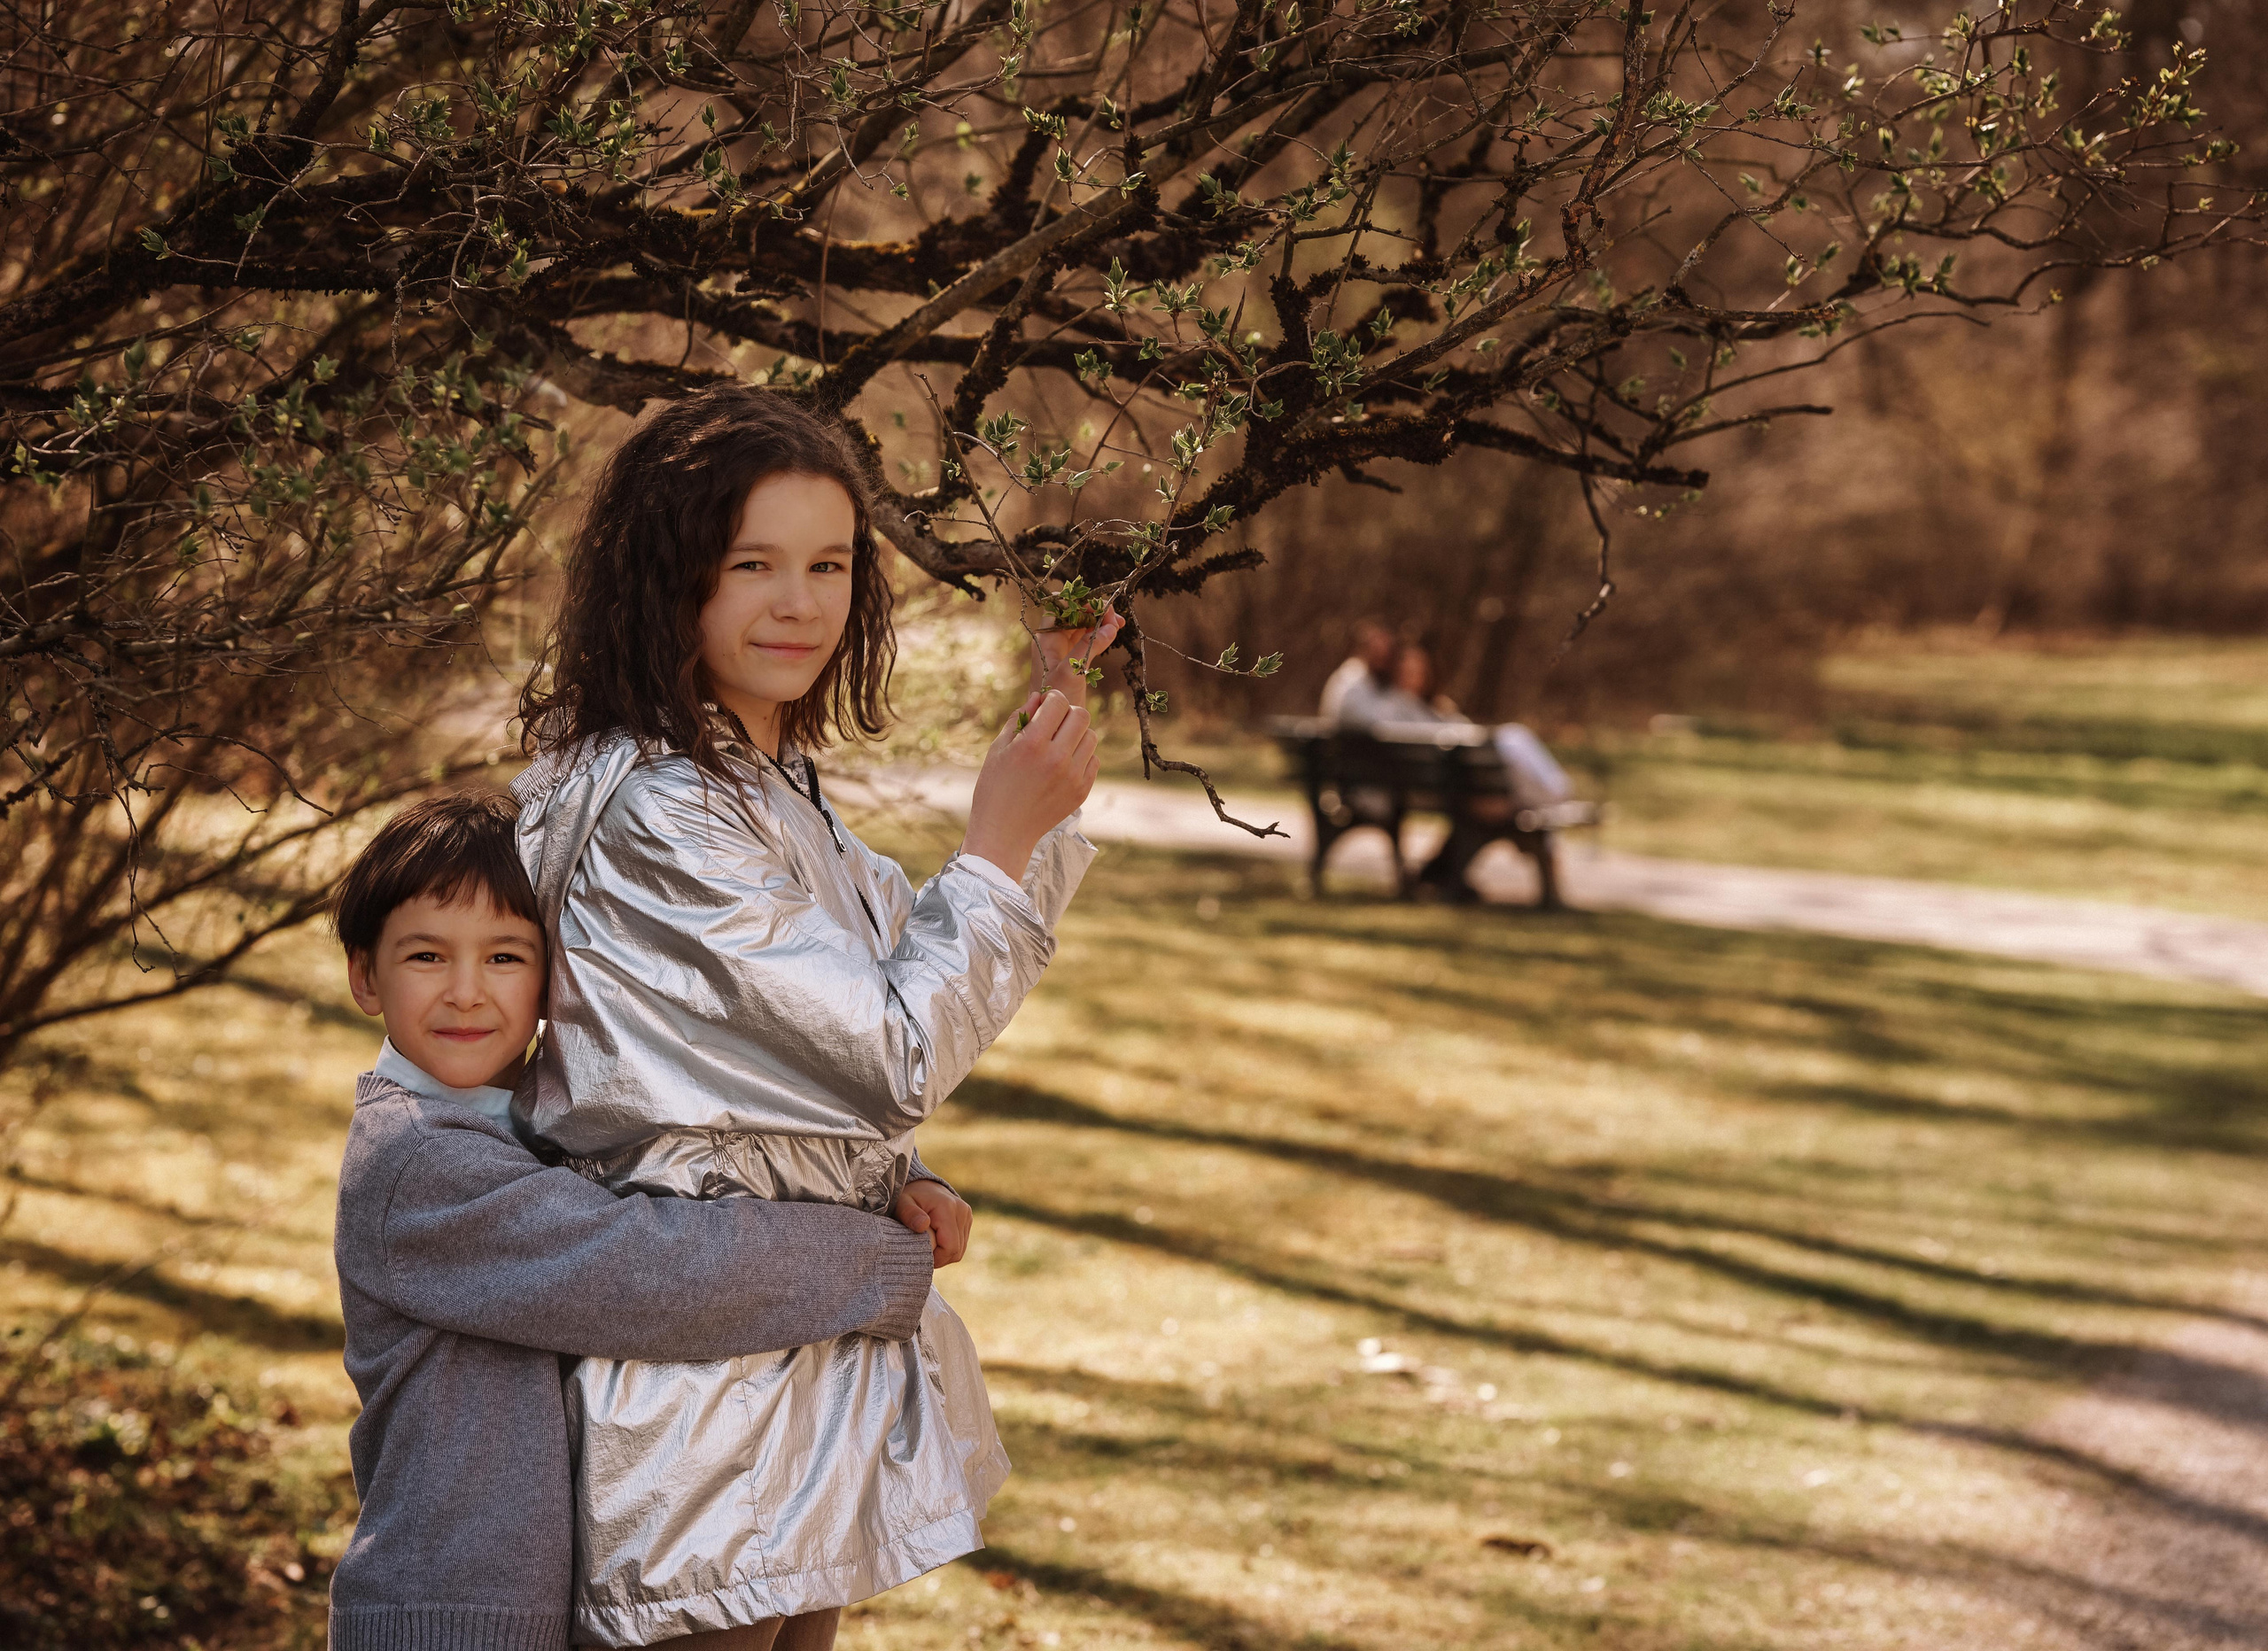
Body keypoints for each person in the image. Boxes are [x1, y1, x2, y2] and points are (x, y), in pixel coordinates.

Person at [511, 386, 1117, 1648]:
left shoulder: (758, 781)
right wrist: (998, 843)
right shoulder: (662, 808)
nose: (800, 602)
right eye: (753, 564)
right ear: (670, 576)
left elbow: (902, 970)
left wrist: (1038, 782)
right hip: (704, 1387)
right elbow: (893, 1049)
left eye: (830, 564)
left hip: (797, 1351)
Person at [328, 792, 951, 1651]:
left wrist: (895, 1182)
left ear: (557, 973)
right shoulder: (419, 1161)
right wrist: (872, 1262)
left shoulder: (551, 1098)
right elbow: (646, 1272)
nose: (466, 992)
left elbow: (711, 1133)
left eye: (506, 956)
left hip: (581, 1587)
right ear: (366, 975)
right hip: (457, 1612)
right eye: (427, 955)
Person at [1317, 616, 1397, 725]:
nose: (1383, 659)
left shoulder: (1375, 680)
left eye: (1386, 654)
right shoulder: (1350, 679)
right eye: (1377, 652)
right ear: (1364, 650)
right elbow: (1371, 721)